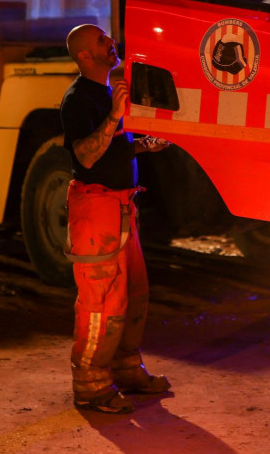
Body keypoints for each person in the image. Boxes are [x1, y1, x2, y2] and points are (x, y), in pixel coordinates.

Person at [60, 23, 171, 414]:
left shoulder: (105, 92)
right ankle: (90, 385)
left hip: (120, 207)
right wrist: (115, 116)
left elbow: (110, 150)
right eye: (102, 41)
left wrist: (142, 144)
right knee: (101, 302)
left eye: (108, 37)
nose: (112, 43)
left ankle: (126, 370)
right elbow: (86, 156)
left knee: (134, 294)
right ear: (85, 57)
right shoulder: (78, 99)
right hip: (95, 211)